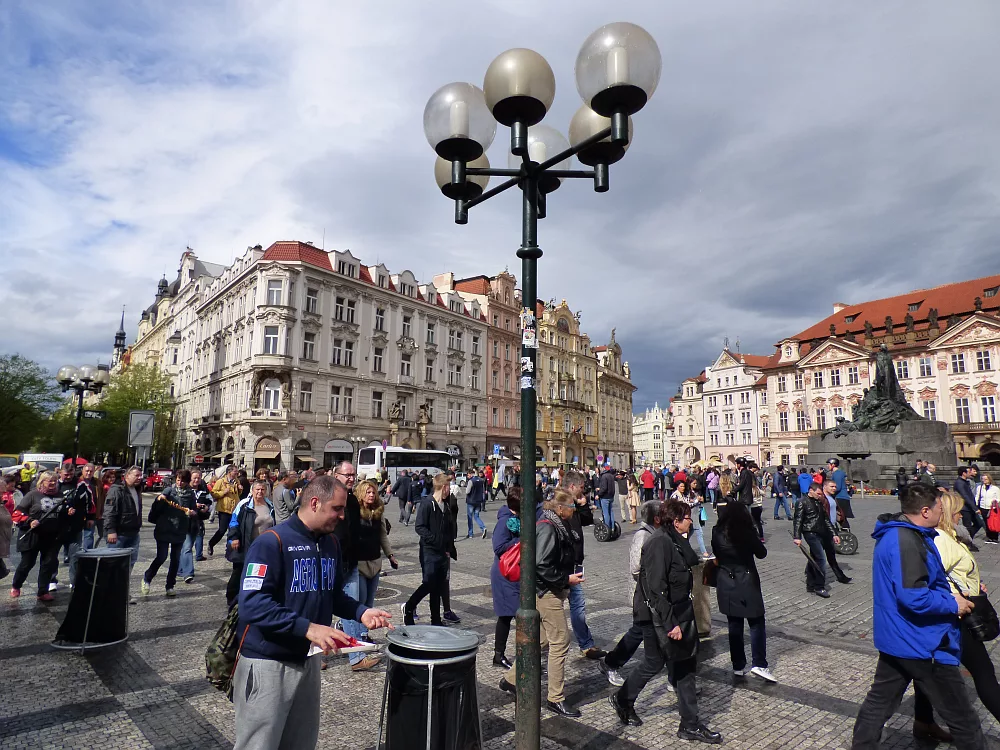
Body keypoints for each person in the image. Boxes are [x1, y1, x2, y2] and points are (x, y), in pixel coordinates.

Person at [233, 474, 393, 750]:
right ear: (315, 503)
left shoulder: (330, 544)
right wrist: (308, 628)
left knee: (301, 742)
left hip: (308, 661)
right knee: (259, 745)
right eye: (338, 509)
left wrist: (361, 612)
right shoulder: (271, 543)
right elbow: (252, 604)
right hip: (268, 662)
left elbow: (332, 595)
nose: (343, 516)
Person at [851, 483, 985, 749]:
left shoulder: (906, 535)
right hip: (923, 642)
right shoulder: (906, 541)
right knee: (963, 719)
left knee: (879, 703)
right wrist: (952, 603)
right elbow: (914, 596)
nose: (941, 511)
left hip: (899, 637)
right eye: (938, 506)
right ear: (925, 510)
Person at [608, 500, 722, 744]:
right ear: (676, 520)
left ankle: (684, 722)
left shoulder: (673, 539)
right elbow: (656, 589)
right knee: (664, 663)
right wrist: (671, 624)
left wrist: (685, 535)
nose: (692, 521)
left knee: (676, 664)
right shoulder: (659, 542)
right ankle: (627, 700)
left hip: (676, 612)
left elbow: (691, 560)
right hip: (658, 616)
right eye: (687, 517)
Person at [905, 490, 1000, 742]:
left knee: (927, 672)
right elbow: (932, 579)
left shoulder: (951, 536)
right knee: (984, 674)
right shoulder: (941, 540)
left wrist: (972, 584)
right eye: (957, 510)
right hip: (956, 618)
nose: (961, 514)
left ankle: (923, 724)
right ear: (947, 513)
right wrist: (959, 596)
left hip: (955, 612)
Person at [499, 489, 585, 718]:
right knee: (560, 642)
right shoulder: (548, 527)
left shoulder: (554, 524)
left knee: (541, 640)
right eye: (571, 508)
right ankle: (555, 698)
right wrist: (566, 579)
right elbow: (542, 564)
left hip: (546, 589)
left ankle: (510, 680)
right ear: (559, 508)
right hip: (546, 592)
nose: (573, 511)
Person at [600, 499, 661, 687]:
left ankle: (675, 679)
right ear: (656, 518)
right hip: (642, 594)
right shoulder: (643, 536)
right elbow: (636, 568)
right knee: (639, 631)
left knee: (652, 631)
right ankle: (611, 662)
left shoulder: (655, 533)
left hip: (651, 594)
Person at [712, 503, 775, 683]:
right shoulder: (746, 532)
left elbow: (717, 553)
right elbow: (762, 553)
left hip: (726, 581)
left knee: (734, 624)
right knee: (756, 622)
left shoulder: (717, 532)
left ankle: (738, 665)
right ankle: (759, 663)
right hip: (746, 581)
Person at [350, 478, 397, 671]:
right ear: (361, 493)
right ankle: (358, 647)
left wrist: (390, 555)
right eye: (368, 492)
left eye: (373, 492)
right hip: (358, 564)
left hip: (375, 564)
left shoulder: (377, 512)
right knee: (360, 606)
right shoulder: (354, 512)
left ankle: (360, 639)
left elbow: (382, 536)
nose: (371, 495)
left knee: (369, 605)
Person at [402, 473, 457, 626]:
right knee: (428, 583)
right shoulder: (427, 504)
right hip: (429, 551)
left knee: (437, 587)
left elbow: (447, 530)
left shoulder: (445, 506)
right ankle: (409, 607)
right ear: (444, 487)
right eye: (449, 487)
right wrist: (435, 540)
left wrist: (448, 548)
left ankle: (436, 620)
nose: (450, 490)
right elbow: (419, 527)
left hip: (442, 553)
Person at [141, 469, 198, 598]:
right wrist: (159, 499)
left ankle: (170, 585)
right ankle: (147, 578)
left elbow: (194, 510)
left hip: (180, 529)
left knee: (175, 559)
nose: (179, 482)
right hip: (165, 528)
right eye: (178, 480)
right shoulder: (169, 490)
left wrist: (193, 512)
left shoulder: (190, 494)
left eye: (182, 481)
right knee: (161, 556)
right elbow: (159, 502)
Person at [9, 471, 65, 601]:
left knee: (48, 563)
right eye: (49, 481)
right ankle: (16, 585)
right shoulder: (32, 495)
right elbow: (16, 514)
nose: (52, 483)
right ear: (42, 482)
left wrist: (69, 512)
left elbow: (62, 514)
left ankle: (42, 591)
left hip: (51, 536)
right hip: (32, 535)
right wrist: (29, 521)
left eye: (54, 481)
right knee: (27, 563)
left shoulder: (60, 495)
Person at [490, 486, 523, 669]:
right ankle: (499, 655)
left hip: (515, 573)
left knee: (514, 615)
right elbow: (498, 546)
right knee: (507, 615)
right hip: (504, 573)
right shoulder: (504, 522)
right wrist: (520, 540)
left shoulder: (517, 519)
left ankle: (517, 654)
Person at [793, 482, 842, 597]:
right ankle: (819, 586)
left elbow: (826, 519)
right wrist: (797, 537)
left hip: (821, 532)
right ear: (811, 490)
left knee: (813, 558)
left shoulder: (819, 502)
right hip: (809, 532)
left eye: (821, 494)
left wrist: (834, 533)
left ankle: (810, 584)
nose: (820, 496)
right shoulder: (802, 502)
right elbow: (798, 520)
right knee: (820, 559)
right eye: (818, 494)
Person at [105, 466, 144, 572]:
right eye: (136, 475)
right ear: (127, 476)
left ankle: (123, 585)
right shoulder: (117, 489)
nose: (139, 478)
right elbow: (109, 511)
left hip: (133, 533)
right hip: (119, 534)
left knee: (130, 562)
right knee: (114, 563)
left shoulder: (137, 489)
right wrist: (111, 530)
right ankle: (111, 586)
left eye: (141, 475)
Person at [65, 463, 97, 588]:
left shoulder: (86, 485)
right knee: (52, 555)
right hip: (59, 525)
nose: (69, 477)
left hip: (78, 523)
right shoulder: (57, 484)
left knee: (75, 553)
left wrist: (91, 516)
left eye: (71, 474)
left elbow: (91, 501)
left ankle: (74, 581)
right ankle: (51, 580)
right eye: (66, 474)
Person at [208, 465, 241, 556]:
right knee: (222, 530)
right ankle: (211, 543)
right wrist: (223, 492)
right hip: (224, 509)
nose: (236, 473)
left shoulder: (236, 481)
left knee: (233, 530)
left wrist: (239, 489)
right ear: (229, 472)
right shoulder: (221, 482)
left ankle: (230, 549)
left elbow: (237, 494)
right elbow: (213, 493)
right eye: (235, 471)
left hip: (234, 510)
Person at [953, 466, 982, 538]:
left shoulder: (965, 482)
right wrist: (975, 508)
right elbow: (965, 496)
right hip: (965, 508)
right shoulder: (959, 483)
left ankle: (968, 538)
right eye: (968, 472)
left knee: (979, 523)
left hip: (969, 506)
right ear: (964, 473)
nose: (970, 473)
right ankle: (968, 541)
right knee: (967, 526)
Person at [827, 458, 854, 529]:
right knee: (841, 517)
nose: (827, 466)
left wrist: (827, 492)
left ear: (833, 465)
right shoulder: (837, 473)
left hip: (841, 497)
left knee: (841, 517)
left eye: (828, 464)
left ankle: (846, 534)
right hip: (840, 497)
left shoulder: (837, 474)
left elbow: (837, 487)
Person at [976, 473, 1000, 544]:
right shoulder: (980, 488)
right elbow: (977, 497)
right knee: (986, 523)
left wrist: (994, 502)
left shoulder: (995, 488)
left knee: (993, 522)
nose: (984, 481)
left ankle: (994, 538)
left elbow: (998, 498)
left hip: (992, 508)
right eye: (983, 479)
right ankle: (989, 537)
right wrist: (976, 505)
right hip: (983, 507)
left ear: (989, 479)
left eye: (986, 479)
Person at [465, 469, 487, 539]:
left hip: (471, 501)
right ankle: (483, 527)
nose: (467, 476)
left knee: (470, 517)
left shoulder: (471, 481)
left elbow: (467, 491)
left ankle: (470, 533)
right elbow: (483, 491)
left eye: (468, 475)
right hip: (478, 501)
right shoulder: (481, 480)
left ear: (471, 474)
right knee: (476, 516)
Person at [596, 462, 618, 529]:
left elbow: (604, 488)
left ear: (603, 468)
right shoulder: (611, 475)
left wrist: (599, 495)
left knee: (606, 513)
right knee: (610, 512)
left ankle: (607, 527)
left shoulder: (604, 476)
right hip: (611, 496)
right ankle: (612, 527)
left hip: (605, 497)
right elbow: (610, 486)